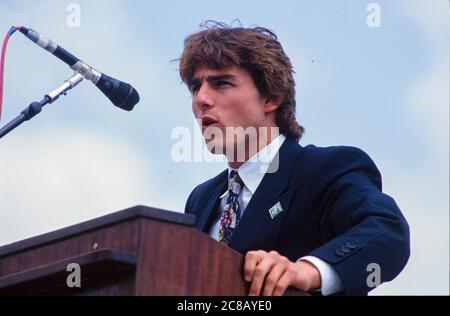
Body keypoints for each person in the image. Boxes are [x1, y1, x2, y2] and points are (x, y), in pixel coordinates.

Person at [180, 21, 410, 296]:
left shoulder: (323, 170)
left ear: (271, 98)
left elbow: (387, 232)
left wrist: (306, 270)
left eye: (221, 83)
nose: (201, 98)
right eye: (195, 87)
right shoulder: (200, 199)